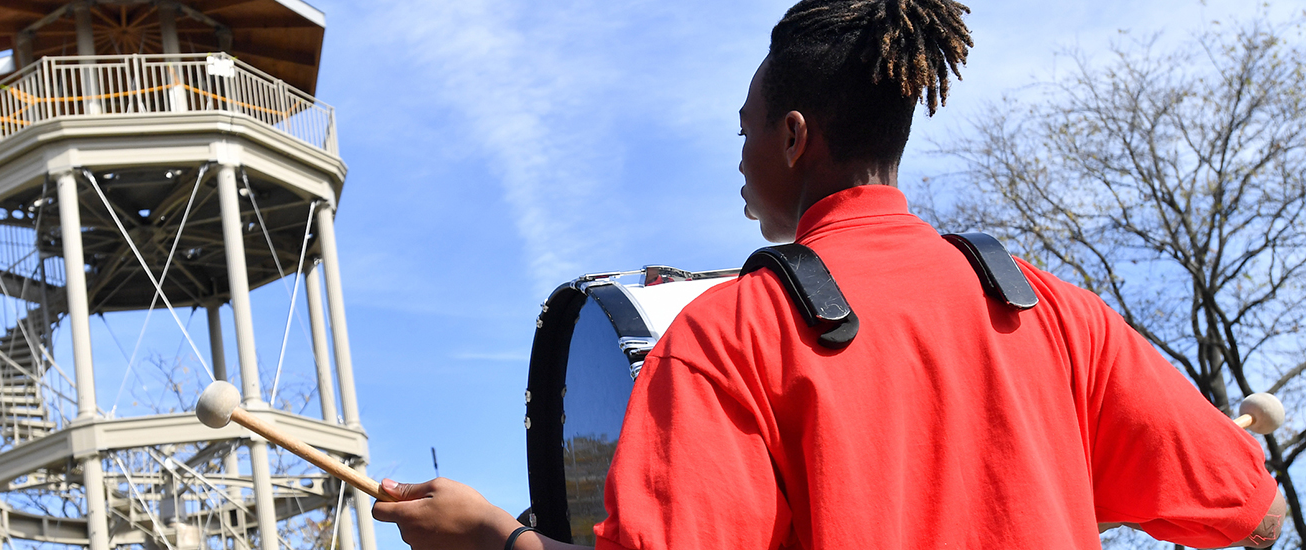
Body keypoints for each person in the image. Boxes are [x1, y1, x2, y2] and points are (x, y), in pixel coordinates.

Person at [372, 1, 1290, 548]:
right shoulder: (1050, 312)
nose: (738, 159)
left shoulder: (729, 336)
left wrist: (492, 534)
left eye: (745, 129)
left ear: (794, 137)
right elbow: (1254, 516)